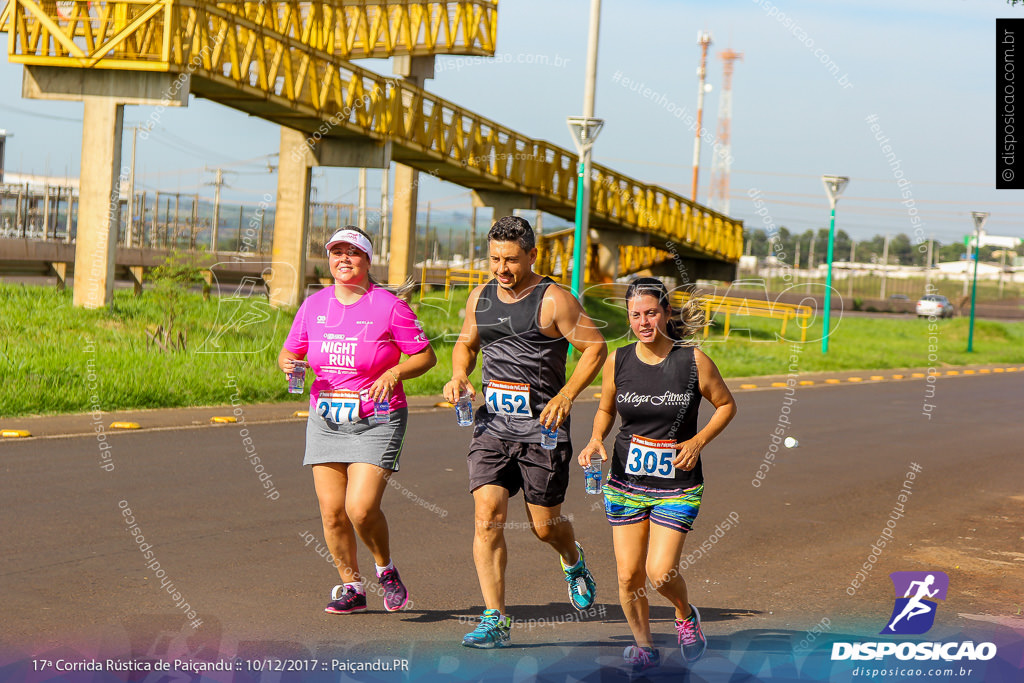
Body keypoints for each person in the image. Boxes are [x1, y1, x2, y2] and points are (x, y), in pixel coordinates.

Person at [442, 215, 608, 648]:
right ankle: (495, 617)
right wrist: (460, 373)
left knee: (545, 526)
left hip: (542, 431)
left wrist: (567, 395)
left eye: (511, 260)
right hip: (493, 427)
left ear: (533, 255)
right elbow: (466, 343)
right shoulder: (481, 296)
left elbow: (595, 348)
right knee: (487, 520)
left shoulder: (555, 300)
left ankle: (572, 560)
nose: (501, 268)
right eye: (495, 258)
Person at [578, 277, 737, 672]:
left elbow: (725, 405)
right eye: (636, 315)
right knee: (629, 575)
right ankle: (645, 647)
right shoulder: (619, 359)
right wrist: (596, 438)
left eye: (651, 312)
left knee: (660, 572)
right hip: (625, 481)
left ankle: (685, 615)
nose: (644, 322)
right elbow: (605, 409)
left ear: (666, 313)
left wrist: (698, 441)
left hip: (678, 485)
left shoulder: (692, 360)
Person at [279, 227, 437, 615]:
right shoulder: (313, 306)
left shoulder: (388, 306)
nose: (343, 260)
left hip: (377, 418)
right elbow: (288, 352)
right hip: (327, 417)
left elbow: (425, 356)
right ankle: (351, 587)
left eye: (353, 253)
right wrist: (290, 365)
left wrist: (394, 373)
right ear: (329, 260)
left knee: (361, 509)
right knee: (332, 512)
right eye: (337, 253)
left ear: (368, 261)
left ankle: (385, 570)